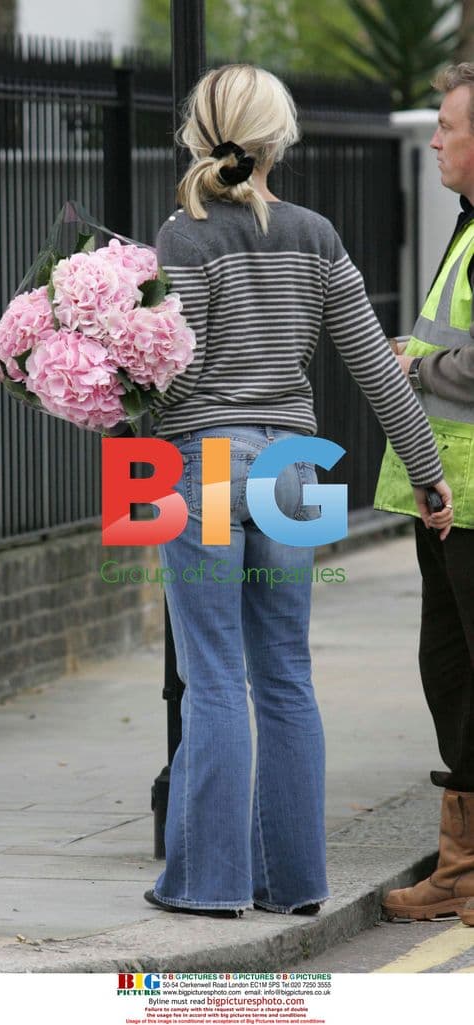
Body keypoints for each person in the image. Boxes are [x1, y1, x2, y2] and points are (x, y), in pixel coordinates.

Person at [143, 63, 452, 918]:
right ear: (279, 139)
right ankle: (294, 883)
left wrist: (118, 383)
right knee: (285, 675)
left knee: (214, 678)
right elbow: (377, 369)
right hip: (297, 469)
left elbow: (177, 380)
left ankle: (208, 885)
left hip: (206, 464)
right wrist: (427, 472)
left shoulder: (184, 236)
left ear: (199, 135)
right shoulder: (316, 234)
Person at [375, 63, 474, 924]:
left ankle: (464, 869)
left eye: (447, 126)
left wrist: (416, 364)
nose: (435, 140)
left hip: (471, 500)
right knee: (450, 673)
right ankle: (461, 869)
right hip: (448, 497)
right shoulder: (467, 227)